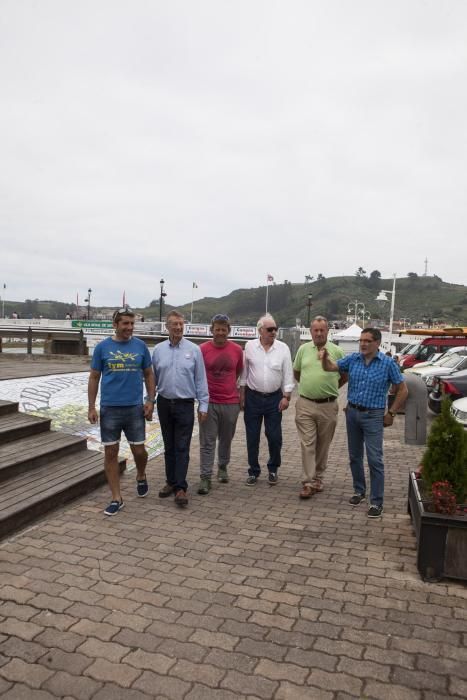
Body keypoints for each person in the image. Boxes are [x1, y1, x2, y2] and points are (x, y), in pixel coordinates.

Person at [320, 327, 408, 518]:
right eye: (361, 340)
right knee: (354, 456)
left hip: (374, 415)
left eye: (367, 341)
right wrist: (325, 358)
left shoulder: (387, 364)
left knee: (375, 459)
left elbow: (403, 390)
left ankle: (376, 502)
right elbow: (331, 368)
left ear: (377, 343)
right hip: (352, 413)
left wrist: (391, 413)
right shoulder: (353, 359)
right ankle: (359, 491)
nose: (362, 344)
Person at [88, 307, 155, 516]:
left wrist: (150, 400)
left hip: (135, 408)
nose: (129, 328)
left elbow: (149, 374)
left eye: (132, 324)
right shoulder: (102, 348)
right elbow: (94, 377)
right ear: (115, 325)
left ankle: (141, 474)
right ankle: (116, 498)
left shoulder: (140, 347)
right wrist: (91, 406)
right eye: (125, 323)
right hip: (109, 409)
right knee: (110, 453)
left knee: (139, 451)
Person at [152, 310, 209, 507]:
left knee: (182, 446)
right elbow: (153, 379)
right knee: (168, 445)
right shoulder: (158, 350)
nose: (178, 327)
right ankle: (170, 481)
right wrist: (149, 400)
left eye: (181, 324)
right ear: (167, 327)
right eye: (174, 324)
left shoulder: (194, 350)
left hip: (185, 404)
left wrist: (203, 404)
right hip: (164, 403)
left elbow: (200, 379)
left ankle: (180, 488)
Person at [294, 316, 346, 499]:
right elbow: (297, 372)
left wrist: (330, 389)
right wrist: (309, 388)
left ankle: (318, 477)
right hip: (305, 404)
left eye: (321, 330)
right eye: (315, 330)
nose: (318, 333)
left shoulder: (337, 351)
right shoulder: (303, 350)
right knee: (308, 443)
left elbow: (344, 375)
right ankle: (308, 481)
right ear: (310, 332)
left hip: (328, 405)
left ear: (327, 331)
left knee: (323, 445)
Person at [239, 314, 294, 486]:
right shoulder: (249, 346)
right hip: (253, 398)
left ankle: (273, 468)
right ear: (260, 330)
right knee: (252, 436)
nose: (274, 332)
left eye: (275, 329)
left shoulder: (283, 348)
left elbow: (288, 374)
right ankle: (253, 471)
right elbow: (244, 373)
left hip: (274, 399)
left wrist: (287, 397)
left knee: (275, 436)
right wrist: (242, 396)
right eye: (270, 329)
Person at [198, 314, 244, 495]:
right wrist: (201, 401)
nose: (220, 332)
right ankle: (205, 477)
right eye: (217, 329)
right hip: (208, 402)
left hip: (230, 402)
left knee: (226, 438)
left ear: (228, 331)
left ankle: (223, 466)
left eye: (223, 329)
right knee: (207, 441)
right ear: (212, 330)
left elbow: (239, 372)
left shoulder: (237, 350)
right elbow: (197, 374)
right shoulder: (202, 349)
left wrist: (240, 396)